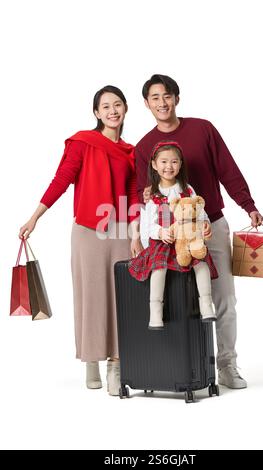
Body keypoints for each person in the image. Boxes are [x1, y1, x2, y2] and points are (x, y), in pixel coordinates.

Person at [135, 74, 263, 389]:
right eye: (155, 97)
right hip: (168, 235)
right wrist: (137, 237)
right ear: (147, 103)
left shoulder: (203, 129)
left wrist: (248, 205)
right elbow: (145, 198)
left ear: (177, 98)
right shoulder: (143, 147)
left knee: (223, 299)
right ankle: (180, 367)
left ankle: (227, 366)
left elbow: (228, 169)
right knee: (173, 298)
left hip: (210, 226)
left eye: (167, 95)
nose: (162, 103)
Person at [19, 85, 143, 395]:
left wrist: (135, 233)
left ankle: (116, 365)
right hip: (88, 230)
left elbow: (132, 193)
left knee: (120, 296)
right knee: (91, 294)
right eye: (105, 106)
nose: (112, 111)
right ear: (96, 113)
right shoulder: (83, 142)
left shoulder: (130, 152)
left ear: (126, 109)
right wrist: (35, 216)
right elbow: (62, 179)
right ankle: (91, 361)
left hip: (119, 230)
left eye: (117, 105)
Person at [129, 141, 218, 329]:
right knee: (158, 270)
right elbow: (147, 226)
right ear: (154, 164)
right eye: (163, 162)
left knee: (201, 264)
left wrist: (205, 226)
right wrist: (160, 232)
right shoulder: (152, 195)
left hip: (187, 240)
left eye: (174, 162)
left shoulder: (188, 190)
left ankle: (206, 305)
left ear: (180, 164)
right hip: (164, 242)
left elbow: (200, 213)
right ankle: (155, 312)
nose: (169, 166)